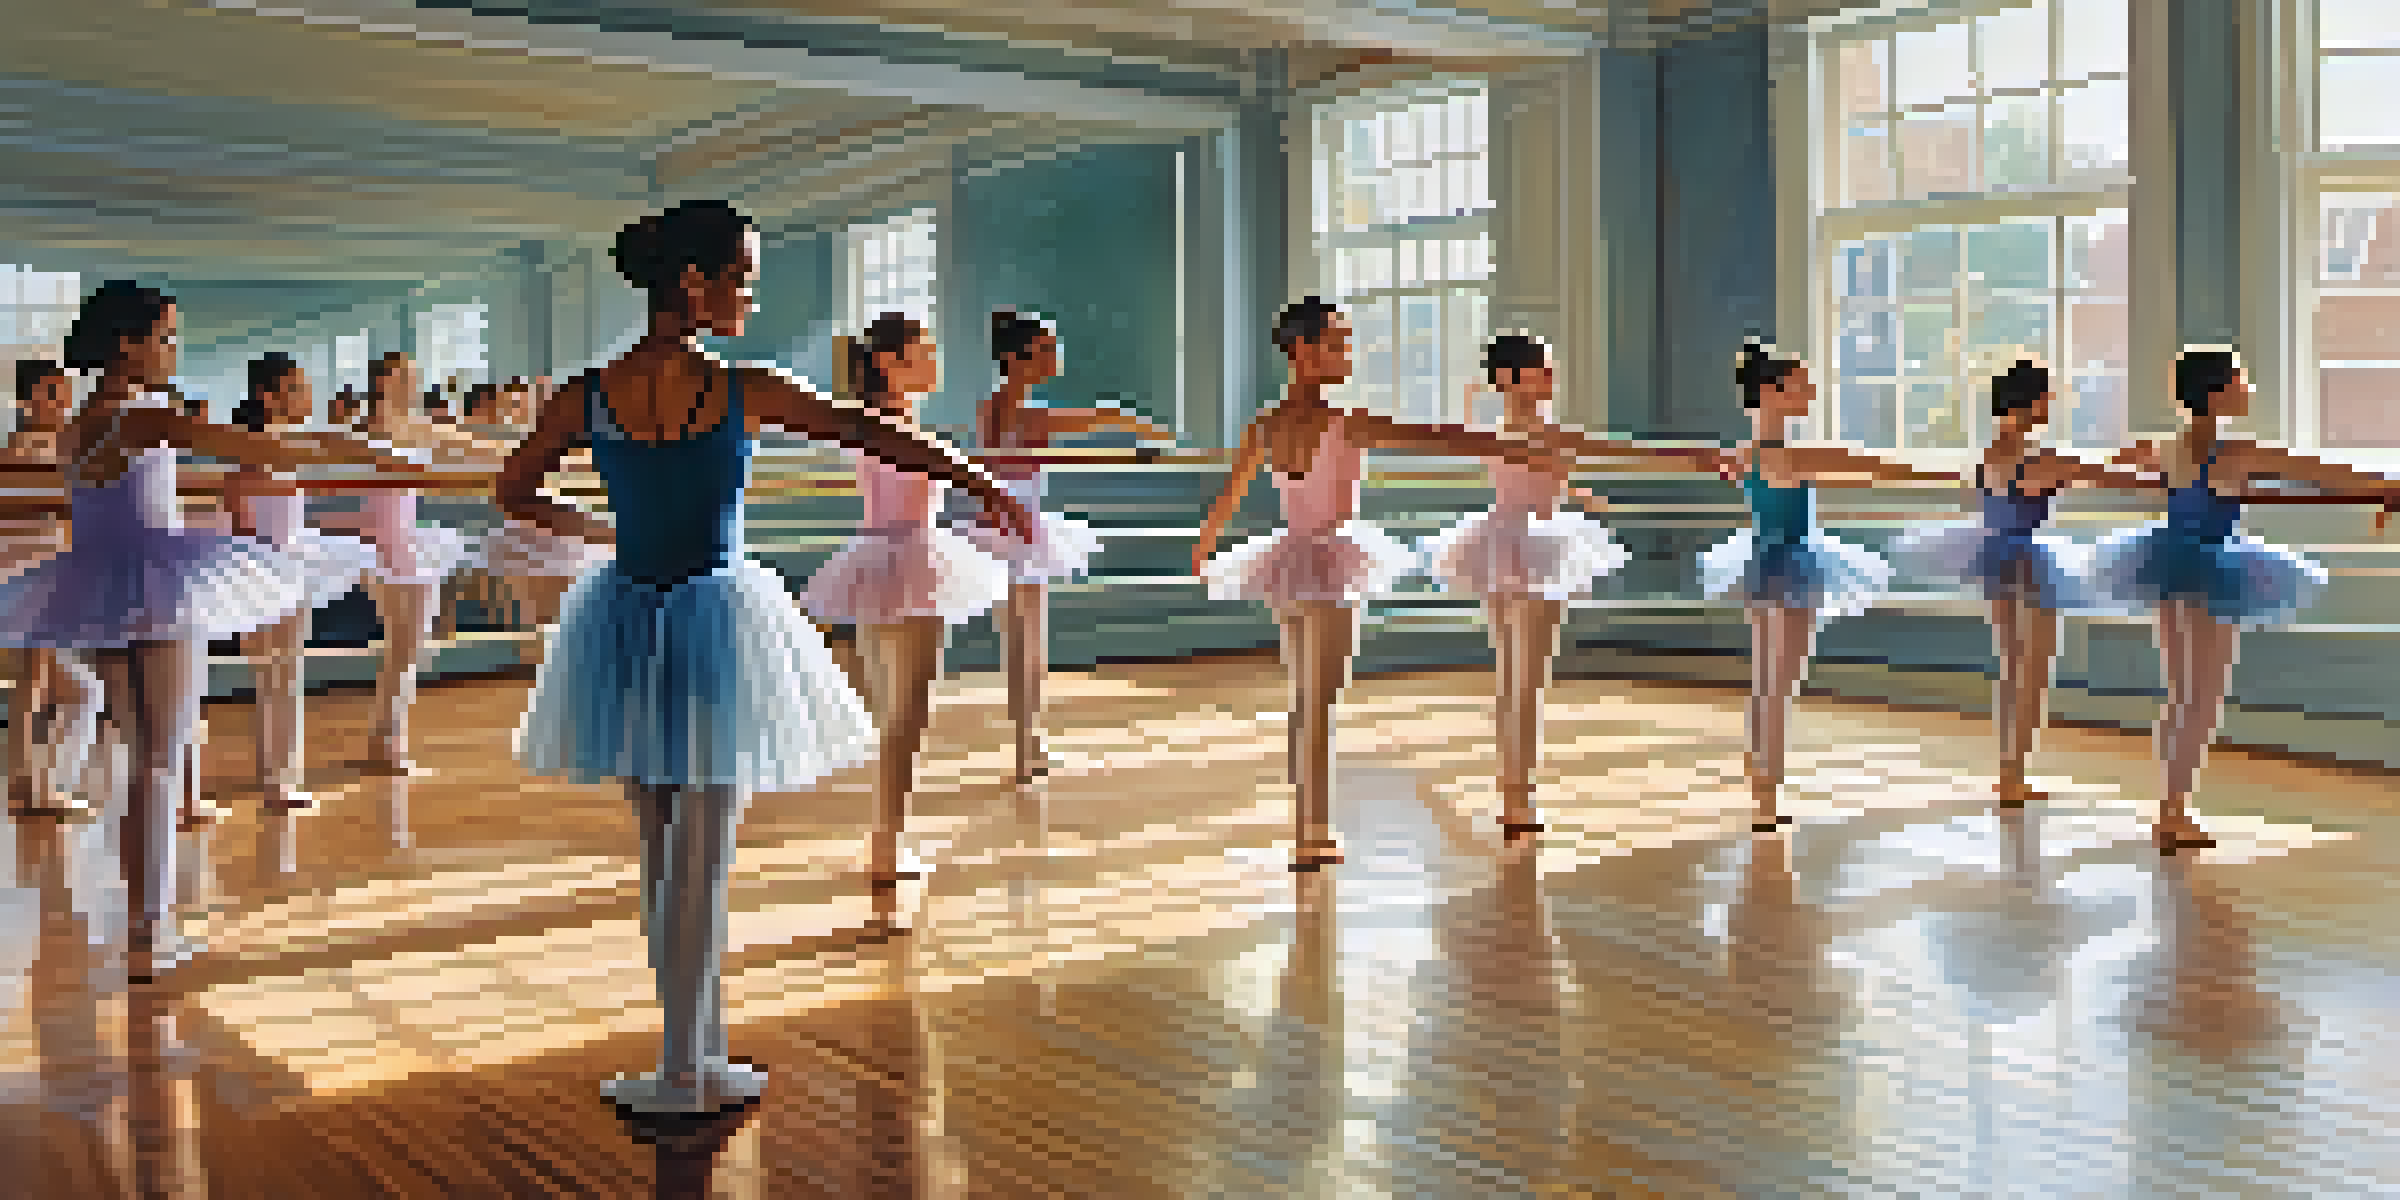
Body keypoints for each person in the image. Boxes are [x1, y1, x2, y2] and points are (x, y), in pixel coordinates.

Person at [499, 201, 1031, 1114]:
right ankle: (684, 1064)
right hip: (712, 613)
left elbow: (516, 489)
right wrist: (980, 477)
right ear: (694, 282)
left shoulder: (587, 394)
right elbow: (875, 432)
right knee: (703, 852)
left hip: (627, 611)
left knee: (662, 847)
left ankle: (690, 1051)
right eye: (742, 275)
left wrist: (601, 530)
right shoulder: (744, 389)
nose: (751, 292)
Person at [0, 281, 420, 981]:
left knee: (144, 758)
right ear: (127, 343)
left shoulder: (78, 424)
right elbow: (259, 449)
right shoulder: (142, 416)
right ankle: (149, 931)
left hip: (100, 582)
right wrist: (363, 450)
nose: (172, 351)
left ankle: (148, 923)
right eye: (165, 337)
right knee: (160, 758)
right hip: (157, 582)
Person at [1191, 298, 1577, 870]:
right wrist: (1507, 446)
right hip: (1328, 563)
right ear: (1300, 352)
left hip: (1286, 560)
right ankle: (1311, 832)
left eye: (1345, 342)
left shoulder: (1267, 423)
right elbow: (1437, 437)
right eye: (1334, 344)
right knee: (1319, 700)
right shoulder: (1348, 422)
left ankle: (1310, 825)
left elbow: (1230, 495)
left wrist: (1204, 549)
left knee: (1305, 699)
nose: (1346, 354)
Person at [2088, 348, 2400, 852]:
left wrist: (2139, 467)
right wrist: (2386, 485)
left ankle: (2169, 809)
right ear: (2217, 392)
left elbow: (2125, 461)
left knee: (2180, 694)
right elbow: (2320, 472)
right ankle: (2172, 815)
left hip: (2166, 559)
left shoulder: (2168, 448)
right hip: (2211, 566)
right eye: (2240, 378)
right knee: (2203, 698)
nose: (2248, 387)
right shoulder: (2236, 453)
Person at [1421, 333, 1730, 838]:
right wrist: (1695, 455)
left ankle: (1513, 789)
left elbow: (1537, 472)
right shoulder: (1536, 430)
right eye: (1541, 369)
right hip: (1536, 545)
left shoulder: (1496, 428)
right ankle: (1518, 797)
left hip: (1500, 541)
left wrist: (1578, 491)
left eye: (1549, 367)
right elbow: (1616, 450)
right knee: (1529, 676)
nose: (1551, 376)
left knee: (1512, 673)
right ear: (1511, 378)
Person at [1704, 340, 1960, 831]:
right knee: (1781, 679)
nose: (1811, 390)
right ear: (1772, 392)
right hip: (1792, 561)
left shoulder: (1744, 452)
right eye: (1800, 383)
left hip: (1762, 558)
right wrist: (1962, 473)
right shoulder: (1793, 455)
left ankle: (1761, 775)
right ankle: (1765, 788)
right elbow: (1879, 469)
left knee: (1768, 677)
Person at [1886, 360, 2159, 809]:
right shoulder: (2036, 458)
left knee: (2015, 668)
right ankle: (2012, 775)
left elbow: (2003, 495)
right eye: (2047, 397)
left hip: (1993, 555)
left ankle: (2010, 772)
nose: (2051, 404)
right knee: (2032, 671)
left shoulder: (1992, 452)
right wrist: (2144, 464)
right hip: (2028, 562)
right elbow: (2113, 479)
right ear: (2029, 401)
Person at [799, 313, 1011, 889]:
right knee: (906, 716)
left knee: (894, 715)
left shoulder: (883, 419)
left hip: (879, 560)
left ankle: (888, 837)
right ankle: (886, 847)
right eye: (925, 350)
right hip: (907, 561)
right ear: (891, 363)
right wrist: (994, 497)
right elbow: (938, 469)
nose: (935, 361)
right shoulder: (885, 422)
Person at [975, 308, 1178, 782]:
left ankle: (1029, 741)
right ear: (1021, 357)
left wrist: (1138, 438)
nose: (1055, 357)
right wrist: (1144, 437)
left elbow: (1066, 436)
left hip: (1002, 523)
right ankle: (1029, 744)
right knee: (1029, 644)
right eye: (1046, 350)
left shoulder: (998, 406)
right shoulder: (1023, 413)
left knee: (1021, 642)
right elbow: (1097, 419)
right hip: (1017, 526)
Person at [224, 353, 378, 811]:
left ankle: (278, 776)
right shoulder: (261, 444)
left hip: (284, 558)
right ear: (268, 397)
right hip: (270, 562)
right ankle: (278, 781)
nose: (306, 397)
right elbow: (238, 504)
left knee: (281, 672)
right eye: (296, 389)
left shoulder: (274, 442)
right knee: (280, 672)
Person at [2, 360, 97, 817]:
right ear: (29, 399)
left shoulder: (27, 448)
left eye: (67, 392)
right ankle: (39, 789)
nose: (66, 402)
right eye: (55, 392)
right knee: (51, 688)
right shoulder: (38, 451)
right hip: (31, 582)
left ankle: (29, 785)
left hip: (32, 581)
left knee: (52, 687)